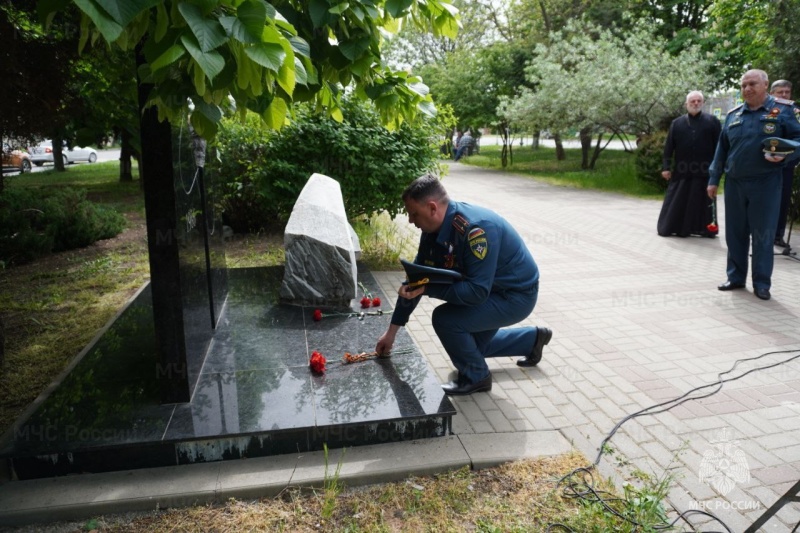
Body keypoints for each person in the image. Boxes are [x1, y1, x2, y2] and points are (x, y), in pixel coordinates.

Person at [375, 175, 551, 395]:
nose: (411, 221)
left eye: (413, 214)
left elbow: (476, 292)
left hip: (516, 295)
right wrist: (391, 333)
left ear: (432, 208)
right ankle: (533, 339)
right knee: (471, 347)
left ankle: (476, 377)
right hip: (492, 291)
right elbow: (417, 279)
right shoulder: (432, 232)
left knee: (446, 320)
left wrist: (429, 288)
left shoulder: (475, 230)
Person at [707, 69, 800, 301]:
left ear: (765, 85)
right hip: (735, 183)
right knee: (735, 234)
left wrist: (786, 156)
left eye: (752, 84)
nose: (747, 89)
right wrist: (712, 179)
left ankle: (761, 283)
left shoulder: (785, 110)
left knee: (762, 235)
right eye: (744, 85)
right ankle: (736, 277)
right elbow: (722, 150)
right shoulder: (734, 114)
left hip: (766, 183)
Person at [658, 91, 722, 237]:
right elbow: (669, 147)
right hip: (682, 171)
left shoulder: (712, 122)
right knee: (678, 201)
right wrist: (666, 167)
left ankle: (705, 230)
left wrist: (718, 169)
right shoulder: (677, 123)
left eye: (699, 101)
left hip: (704, 171)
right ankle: (676, 228)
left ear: (703, 103)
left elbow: (720, 147)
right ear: (686, 104)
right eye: (692, 101)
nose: (695, 103)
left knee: (702, 202)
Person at [770, 80, 798, 248]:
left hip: (785, 165)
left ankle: (778, 236)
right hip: (764, 165)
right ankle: (759, 234)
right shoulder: (765, 110)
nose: (784, 95)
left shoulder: (795, 112)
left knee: (782, 201)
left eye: (787, 92)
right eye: (780, 92)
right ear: (772, 93)